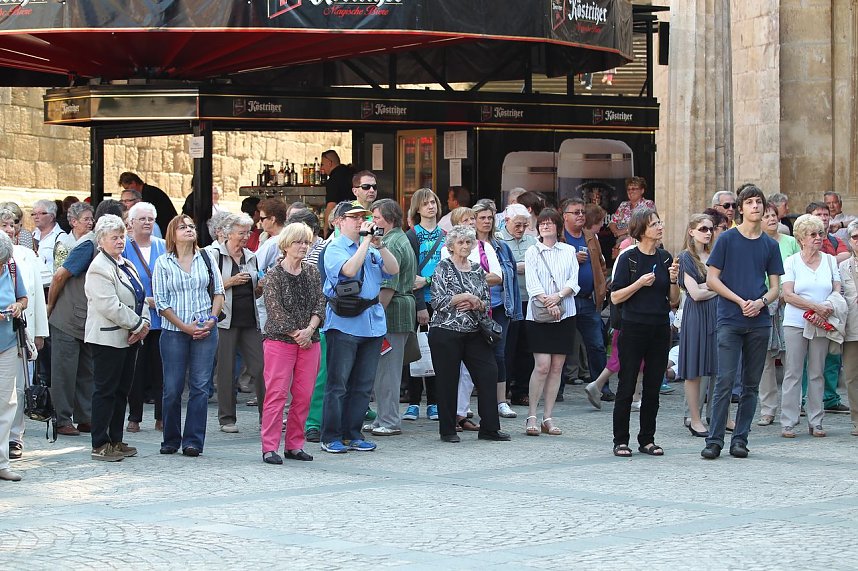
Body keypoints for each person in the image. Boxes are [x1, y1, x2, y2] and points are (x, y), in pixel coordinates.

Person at [701, 184, 783, 460]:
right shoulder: (727, 239)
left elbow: (775, 287)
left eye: (759, 202)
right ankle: (714, 440)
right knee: (724, 381)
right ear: (741, 208)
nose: (755, 206)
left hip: (759, 321)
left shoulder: (770, 245)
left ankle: (740, 439)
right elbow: (712, 279)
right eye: (749, 202)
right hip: (730, 318)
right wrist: (739, 301)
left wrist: (760, 302)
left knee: (750, 384)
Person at [320, 202, 399, 453]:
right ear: (339, 222)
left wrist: (379, 244)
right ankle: (330, 436)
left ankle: (353, 433)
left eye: (362, 217)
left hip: (372, 324)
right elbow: (349, 270)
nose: (359, 221)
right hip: (344, 324)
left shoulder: (372, 247)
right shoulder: (334, 248)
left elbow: (394, 270)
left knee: (363, 385)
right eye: (353, 217)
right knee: (338, 384)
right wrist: (365, 242)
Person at [46, 199, 125, 437]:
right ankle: (62, 419)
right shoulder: (88, 246)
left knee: (86, 371)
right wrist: (50, 307)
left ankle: (85, 417)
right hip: (67, 319)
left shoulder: (111, 250)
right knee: (64, 372)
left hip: (88, 320)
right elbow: (59, 276)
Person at [429, 225, 510, 443]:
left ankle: (490, 428)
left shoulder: (476, 269)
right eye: (460, 242)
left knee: (488, 373)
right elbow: (437, 302)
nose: (465, 246)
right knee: (447, 380)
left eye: (468, 242)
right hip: (446, 331)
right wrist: (464, 297)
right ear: (451, 246)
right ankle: (448, 430)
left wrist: (476, 303)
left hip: (474, 330)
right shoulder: (442, 267)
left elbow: (486, 302)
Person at [609, 209, 679, 457]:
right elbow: (615, 297)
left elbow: (673, 300)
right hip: (633, 327)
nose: (660, 227)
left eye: (660, 222)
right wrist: (639, 283)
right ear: (641, 230)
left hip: (659, 327)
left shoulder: (665, 258)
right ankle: (620, 440)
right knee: (627, 384)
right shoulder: (629, 258)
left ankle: (647, 439)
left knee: (653, 387)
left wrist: (673, 280)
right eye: (654, 224)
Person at [153, 215, 223, 457]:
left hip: (205, 329)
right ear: (172, 234)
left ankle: (193, 441)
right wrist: (185, 327)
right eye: (182, 227)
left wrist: (212, 319)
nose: (189, 230)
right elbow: (161, 302)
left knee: (200, 387)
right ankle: (171, 438)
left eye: (192, 226)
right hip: (174, 332)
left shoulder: (206, 257)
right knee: (172, 387)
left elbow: (218, 292)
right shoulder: (163, 262)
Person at [84, 215, 150, 461]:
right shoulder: (99, 267)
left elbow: (141, 296)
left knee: (122, 391)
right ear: (101, 240)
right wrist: (138, 325)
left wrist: (143, 323)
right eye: (114, 237)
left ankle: (116, 439)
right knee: (105, 391)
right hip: (107, 339)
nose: (120, 241)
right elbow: (109, 305)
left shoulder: (126, 263)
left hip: (129, 337)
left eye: (122, 236)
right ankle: (100, 443)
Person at [260, 223, 325, 464]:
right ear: (286, 245)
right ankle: (269, 447)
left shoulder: (312, 272)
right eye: (298, 242)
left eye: (306, 242)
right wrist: (298, 333)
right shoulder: (273, 275)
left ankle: (295, 445)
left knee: (304, 395)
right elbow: (275, 311)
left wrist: (310, 330)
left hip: (310, 341)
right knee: (276, 395)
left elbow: (320, 303)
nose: (303, 246)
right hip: (280, 342)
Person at [780, 214, 842, 438]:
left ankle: (816, 421)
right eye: (812, 234)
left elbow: (837, 289)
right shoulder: (791, 262)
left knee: (817, 372)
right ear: (801, 239)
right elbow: (787, 294)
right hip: (796, 322)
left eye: (820, 233)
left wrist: (825, 307)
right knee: (793, 372)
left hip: (821, 322)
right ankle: (788, 421)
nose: (818, 238)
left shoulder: (829, 260)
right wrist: (814, 306)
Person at [523, 209, 579, 436]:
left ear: (558, 226)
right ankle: (532, 415)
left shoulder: (569, 250)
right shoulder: (532, 251)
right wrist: (549, 302)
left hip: (565, 312)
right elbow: (532, 283)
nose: (545, 226)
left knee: (557, 367)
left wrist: (558, 297)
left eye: (549, 223)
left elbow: (573, 281)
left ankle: (548, 416)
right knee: (542, 365)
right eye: (542, 223)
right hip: (539, 313)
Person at [364, 199, 416, 437]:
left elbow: (388, 285)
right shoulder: (399, 238)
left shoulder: (391, 243)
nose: (372, 221)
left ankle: (389, 420)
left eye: (376, 217)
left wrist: (375, 315)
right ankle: (383, 417)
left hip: (392, 313)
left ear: (389, 219)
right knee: (385, 370)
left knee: (387, 371)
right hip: (399, 310)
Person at [210, 214, 265, 433]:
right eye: (241, 233)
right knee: (226, 370)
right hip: (225, 320)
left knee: (261, 367)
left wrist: (260, 286)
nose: (246, 237)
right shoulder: (213, 255)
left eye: (248, 232)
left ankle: (267, 416)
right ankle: (227, 419)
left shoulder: (251, 256)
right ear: (228, 233)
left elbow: (255, 291)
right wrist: (230, 282)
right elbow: (207, 286)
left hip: (250, 319)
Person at [0, 209, 47, 461]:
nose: (10, 229)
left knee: (12, 394)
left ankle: (10, 444)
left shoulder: (16, 262)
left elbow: (28, 297)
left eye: (13, 224)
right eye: (4, 225)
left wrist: (19, 307)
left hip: (11, 338)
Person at [472, 201, 523, 419]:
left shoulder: (502, 247)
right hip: (474, 306)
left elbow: (511, 280)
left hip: (500, 305)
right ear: (474, 220)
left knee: (499, 353)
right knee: (473, 353)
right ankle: (472, 402)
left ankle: (501, 401)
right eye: (482, 217)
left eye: (490, 218)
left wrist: (515, 310)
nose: (486, 221)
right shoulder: (467, 244)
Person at [122, 202, 167, 433]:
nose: (147, 223)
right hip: (136, 318)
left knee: (162, 370)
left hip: (162, 318)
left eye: (150, 219)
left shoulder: (164, 246)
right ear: (131, 223)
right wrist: (147, 301)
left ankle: (161, 416)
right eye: (142, 219)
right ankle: (134, 417)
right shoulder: (124, 248)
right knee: (136, 370)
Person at [560, 198, 609, 405]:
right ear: (565, 216)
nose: (581, 215)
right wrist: (572, 259)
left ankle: (601, 387)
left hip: (588, 300)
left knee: (597, 345)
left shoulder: (590, 236)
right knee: (561, 346)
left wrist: (601, 286)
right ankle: (557, 389)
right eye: (576, 212)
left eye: (582, 212)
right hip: (566, 299)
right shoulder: (559, 237)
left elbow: (601, 264)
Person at [805, 201, 851, 414]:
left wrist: (827, 258)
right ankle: (804, 400)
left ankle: (830, 398)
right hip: (808, 306)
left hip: (832, 304)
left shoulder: (833, 240)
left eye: (826, 214)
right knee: (806, 359)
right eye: (819, 214)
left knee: (833, 352)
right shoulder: (802, 241)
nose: (824, 218)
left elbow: (847, 254)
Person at [757, 202, 800, 426]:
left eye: (774, 215)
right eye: (767, 216)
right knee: (765, 361)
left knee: (791, 358)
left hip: (788, 303)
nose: (772, 219)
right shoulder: (756, 243)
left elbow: (799, 269)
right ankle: (768, 409)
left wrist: (787, 293)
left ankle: (793, 408)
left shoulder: (790, 242)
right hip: (763, 304)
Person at [676, 214, 718, 437]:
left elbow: (713, 287)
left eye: (710, 229)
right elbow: (695, 294)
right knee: (694, 368)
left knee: (718, 366)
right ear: (691, 231)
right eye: (703, 229)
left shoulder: (715, 255)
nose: (708, 233)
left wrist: (707, 287)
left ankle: (721, 417)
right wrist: (716, 288)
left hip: (716, 314)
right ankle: (694, 419)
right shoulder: (686, 257)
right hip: (696, 316)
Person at [404, 188, 444, 421]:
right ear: (417, 208)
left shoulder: (445, 235)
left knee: (436, 351)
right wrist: (420, 306)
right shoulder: (411, 236)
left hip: (441, 301)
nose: (431, 207)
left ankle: (434, 402)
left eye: (433, 202)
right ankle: (413, 402)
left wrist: (428, 281)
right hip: (418, 301)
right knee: (415, 351)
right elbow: (411, 274)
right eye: (426, 203)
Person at [498, 203, 537, 406]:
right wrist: (518, 266)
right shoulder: (498, 239)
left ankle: (521, 391)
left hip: (529, 300)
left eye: (524, 225)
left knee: (526, 348)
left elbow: (538, 265)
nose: (521, 229)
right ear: (507, 221)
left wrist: (520, 266)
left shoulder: (532, 240)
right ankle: (503, 391)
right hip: (509, 300)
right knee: (507, 348)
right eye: (517, 225)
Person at [0, 231, 27, 481]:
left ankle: (1, 463)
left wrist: (18, 306)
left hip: (7, 343)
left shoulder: (11, 265)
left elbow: (23, 298)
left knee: (6, 403)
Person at [838, 219, 858, 437]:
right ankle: (857, 420)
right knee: (851, 376)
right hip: (852, 327)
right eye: (855, 237)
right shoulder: (843, 267)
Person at [608, 177, 655, 261]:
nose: (630, 191)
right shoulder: (623, 205)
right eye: (628, 189)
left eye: (634, 189)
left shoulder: (648, 204)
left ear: (642, 191)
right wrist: (617, 232)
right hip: (621, 241)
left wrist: (625, 231)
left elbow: (645, 224)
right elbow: (612, 223)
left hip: (639, 242)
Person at [118, 171, 177, 236]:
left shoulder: (150, 194)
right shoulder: (147, 191)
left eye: (127, 188)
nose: (128, 191)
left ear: (133, 183)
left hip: (167, 228)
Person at [32, 198, 67, 288]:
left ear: (52, 216)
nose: (36, 217)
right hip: (33, 286)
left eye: (40, 213)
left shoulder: (61, 237)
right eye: (34, 214)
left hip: (49, 287)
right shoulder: (33, 235)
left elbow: (61, 270)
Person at [54, 202, 94, 270]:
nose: (91, 223)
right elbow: (59, 272)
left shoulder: (95, 240)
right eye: (86, 219)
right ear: (74, 222)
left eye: (91, 219)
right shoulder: (63, 243)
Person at [322, 150, 355, 230]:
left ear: (329, 163)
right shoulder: (351, 174)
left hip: (342, 221)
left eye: (322, 164)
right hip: (357, 215)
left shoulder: (333, 180)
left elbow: (331, 204)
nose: (321, 168)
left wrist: (326, 228)